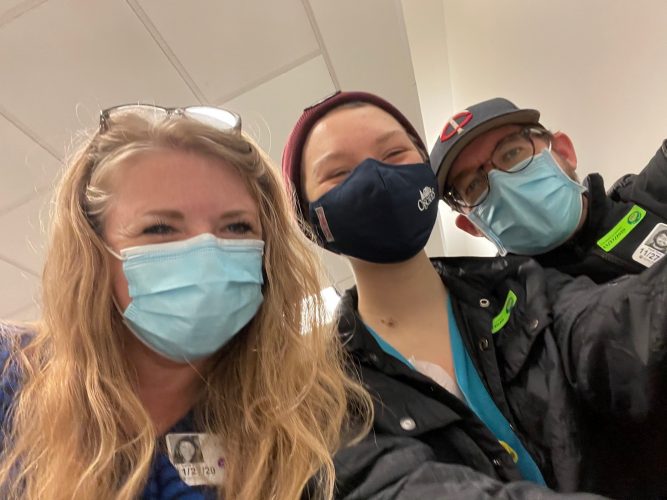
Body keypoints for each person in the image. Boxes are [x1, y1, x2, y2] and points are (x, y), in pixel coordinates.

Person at [282, 91, 667, 498]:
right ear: (310, 222)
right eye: (338, 174)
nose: (374, 178)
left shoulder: (522, 290)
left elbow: (625, 328)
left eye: (394, 153)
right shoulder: (325, 388)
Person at [0, 105, 373, 499]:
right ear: (94, 253)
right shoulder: (12, 372)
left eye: (236, 227)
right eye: (159, 228)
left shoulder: (307, 413)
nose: (208, 254)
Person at [429, 97, 667, 284]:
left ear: (564, 152)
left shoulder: (652, 193)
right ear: (472, 226)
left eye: (511, 153)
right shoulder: (514, 322)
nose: (501, 183)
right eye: (473, 185)